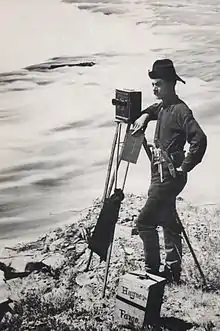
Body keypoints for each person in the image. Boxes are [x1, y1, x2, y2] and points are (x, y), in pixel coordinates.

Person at [133, 59, 207, 283]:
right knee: (168, 221)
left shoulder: (181, 110)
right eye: (152, 84)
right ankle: (173, 272)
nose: (154, 88)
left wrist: (184, 167)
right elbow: (154, 109)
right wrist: (145, 115)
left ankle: (152, 271)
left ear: (171, 84)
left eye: (158, 84)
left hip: (169, 176)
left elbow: (200, 140)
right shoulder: (164, 105)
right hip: (160, 173)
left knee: (144, 223)